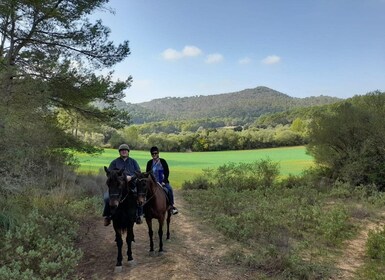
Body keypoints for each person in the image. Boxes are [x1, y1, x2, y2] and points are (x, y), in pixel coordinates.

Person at [103, 143, 143, 226]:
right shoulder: (115, 162)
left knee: (138, 197)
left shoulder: (133, 162)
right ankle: (108, 216)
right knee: (107, 198)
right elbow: (109, 173)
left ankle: (138, 215)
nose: (124, 152)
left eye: (125, 150)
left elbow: (138, 172)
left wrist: (131, 177)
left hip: (131, 183)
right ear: (119, 152)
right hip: (117, 186)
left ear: (128, 152)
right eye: (122, 150)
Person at [146, 146, 178, 215]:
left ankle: (171, 206)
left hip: (162, 181)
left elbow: (167, 172)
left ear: (158, 153)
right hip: (152, 182)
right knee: (144, 191)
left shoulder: (163, 161)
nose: (154, 155)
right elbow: (147, 173)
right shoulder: (149, 163)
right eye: (152, 154)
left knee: (169, 189)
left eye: (155, 153)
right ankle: (144, 209)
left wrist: (164, 181)